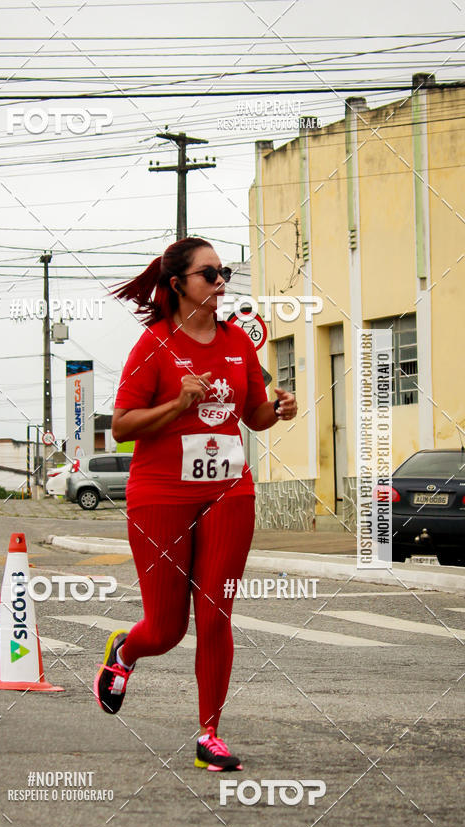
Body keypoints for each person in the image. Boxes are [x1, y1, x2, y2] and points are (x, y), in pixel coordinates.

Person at [94, 237, 297, 771]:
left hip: (230, 489)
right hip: (161, 493)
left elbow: (254, 414)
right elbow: (120, 427)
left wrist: (279, 408)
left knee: (215, 615)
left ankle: (210, 734)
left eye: (224, 272)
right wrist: (178, 401)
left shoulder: (237, 343)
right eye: (210, 274)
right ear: (178, 284)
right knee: (166, 629)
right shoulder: (154, 345)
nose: (221, 282)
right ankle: (125, 652)